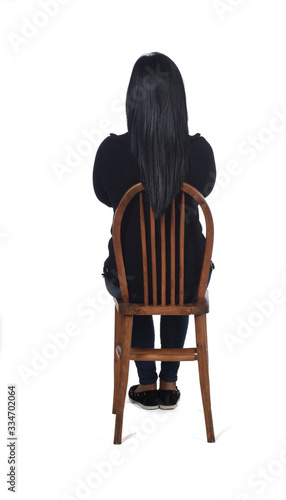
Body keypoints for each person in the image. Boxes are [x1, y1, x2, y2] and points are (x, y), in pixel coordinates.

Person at [93, 52, 216, 411]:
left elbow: (104, 195)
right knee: (178, 281)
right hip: (187, 281)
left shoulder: (113, 151)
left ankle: (146, 383)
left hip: (130, 278)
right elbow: (204, 190)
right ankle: (170, 382)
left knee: (137, 286)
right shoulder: (199, 151)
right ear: (179, 99)